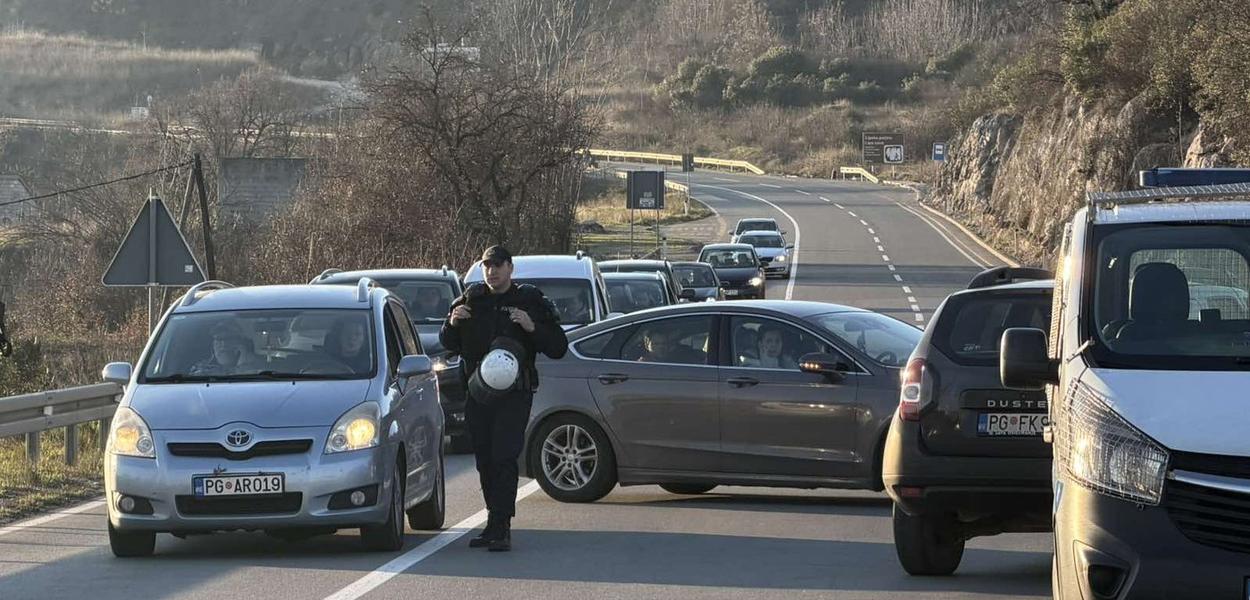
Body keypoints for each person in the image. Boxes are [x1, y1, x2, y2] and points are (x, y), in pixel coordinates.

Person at [441, 246, 568, 552]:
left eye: (498, 265)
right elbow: (447, 343)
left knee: (503, 455)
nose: (492, 271)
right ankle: (492, 521)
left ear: (511, 268)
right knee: (484, 458)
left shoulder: (529, 301)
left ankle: (502, 526)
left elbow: (558, 346)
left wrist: (531, 327)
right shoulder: (472, 298)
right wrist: (453, 323)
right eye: (487, 265)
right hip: (477, 392)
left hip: (514, 395)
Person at [189, 323, 259, 376]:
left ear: (240, 343)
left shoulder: (258, 367)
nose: (223, 345)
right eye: (218, 340)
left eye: (229, 340)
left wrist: (244, 360)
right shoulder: (201, 367)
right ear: (213, 345)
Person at [638, 327, 702, 364]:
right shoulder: (644, 364)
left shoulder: (673, 360)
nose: (661, 347)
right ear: (647, 345)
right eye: (656, 344)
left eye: (664, 343)